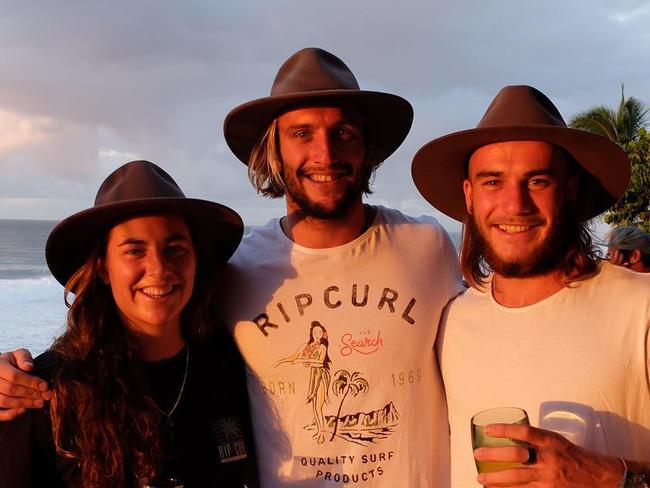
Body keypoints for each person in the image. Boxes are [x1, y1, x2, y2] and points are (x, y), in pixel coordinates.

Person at [0, 48, 463, 487]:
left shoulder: (427, 247)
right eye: (302, 133)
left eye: (344, 132)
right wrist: (14, 375)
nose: (325, 154)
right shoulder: (238, 270)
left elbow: (491, 332)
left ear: (367, 148)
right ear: (274, 152)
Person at [412, 85, 650, 487]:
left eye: (537, 181)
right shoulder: (451, 321)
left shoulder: (639, 308)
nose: (514, 205)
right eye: (492, 182)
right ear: (469, 196)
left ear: (570, 192)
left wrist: (611, 477)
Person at [0, 160, 255, 487]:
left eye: (174, 248)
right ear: (104, 268)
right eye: (135, 250)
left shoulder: (228, 365)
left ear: (196, 260)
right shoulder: (45, 393)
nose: (159, 268)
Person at [273, 320, 332, 444]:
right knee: (315, 407)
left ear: (322, 334)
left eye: (320, 331)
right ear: (311, 333)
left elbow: (320, 362)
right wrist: (279, 362)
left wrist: (301, 361)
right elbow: (293, 357)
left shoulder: (322, 347)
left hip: (321, 375)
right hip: (314, 376)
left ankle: (321, 433)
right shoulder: (305, 346)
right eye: (315, 331)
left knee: (318, 406)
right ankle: (319, 430)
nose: (317, 333)